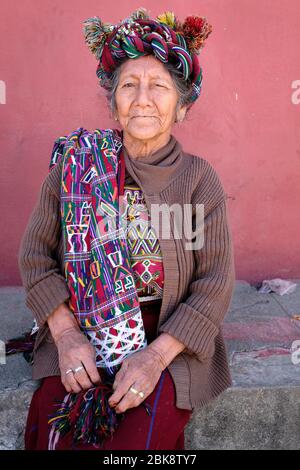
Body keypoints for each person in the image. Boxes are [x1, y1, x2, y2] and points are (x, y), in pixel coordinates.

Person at [16, 7, 235, 450]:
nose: (142, 98)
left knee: (135, 441)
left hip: (170, 340)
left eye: (159, 87)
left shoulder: (198, 178)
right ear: (113, 104)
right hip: (83, 331)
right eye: (129, 86)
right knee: (63, 427)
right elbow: (35, 259)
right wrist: (66, 336)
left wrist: (154, 358)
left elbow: (214, 284)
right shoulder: (76, 167)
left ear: (183, 108)